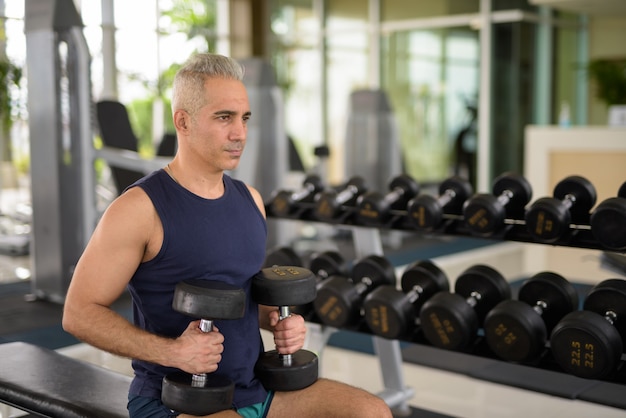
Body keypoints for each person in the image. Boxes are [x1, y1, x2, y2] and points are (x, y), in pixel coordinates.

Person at [63, 53, 393, 418]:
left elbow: (248, 292)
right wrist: (174, 353)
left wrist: (281, 322)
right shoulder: (139, 209)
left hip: (257, 390)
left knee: (371, 412)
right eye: (224, 118)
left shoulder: (250, 200)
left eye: (244, 118)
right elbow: (79, 313)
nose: (239, 133)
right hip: (175, 399)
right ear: (183, 122)